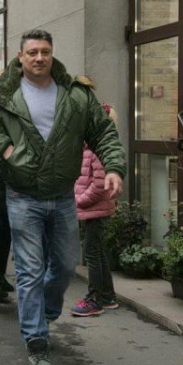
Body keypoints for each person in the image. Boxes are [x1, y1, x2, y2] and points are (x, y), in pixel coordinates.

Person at [0, 29, 125, 365]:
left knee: (64, 266)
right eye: (32, 52)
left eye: (45, 51)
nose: (38, 58)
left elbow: (103, 133)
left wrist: (112, 167)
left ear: (52, 54)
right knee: (30, 272)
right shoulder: (1, 95)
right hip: (22, 196)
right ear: (20, 57)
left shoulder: (76, 94)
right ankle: (37, 344)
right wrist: (4, 148)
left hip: (62, 196)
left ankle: (45, 310)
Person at [71, 103, 120, 316]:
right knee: (97, 252)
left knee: (92, 253)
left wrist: (79, 201)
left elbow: (100, 185)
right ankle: (107, 296)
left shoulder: (98, 149)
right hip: (93, 209)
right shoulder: (89, 146)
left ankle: (94, 299)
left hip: (94, 209)